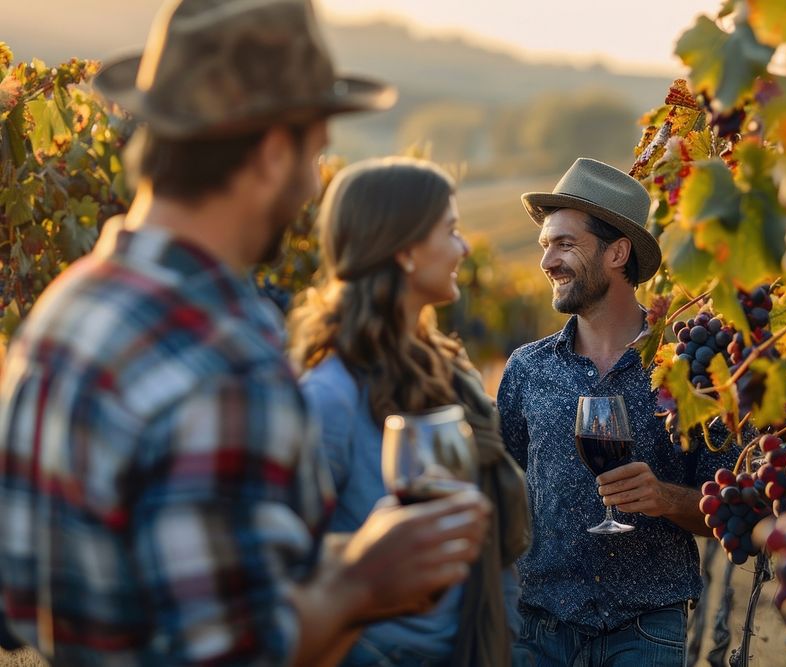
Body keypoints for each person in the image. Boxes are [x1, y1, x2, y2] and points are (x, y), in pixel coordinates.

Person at [0, 1, 490, 665]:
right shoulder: (224, 362)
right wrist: (362, 585)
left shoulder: (68, 311)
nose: (316, 182)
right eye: (316, 152)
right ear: (270, 151)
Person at [288, 157, 532, 667]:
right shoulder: (327, 397)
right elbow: (295, 578)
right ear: (403, 250)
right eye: (452, 230)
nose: (465, 248)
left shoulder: (447, 372)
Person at [497, 158, 741, 666]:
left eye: (565, 244)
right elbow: (509, 488)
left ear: (617, 252)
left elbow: (732, 510)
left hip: (646, 630)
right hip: (537, 629)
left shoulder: (692, 370)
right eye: (546, 245)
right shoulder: (526, 368)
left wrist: (666, 498)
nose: (547, 262)